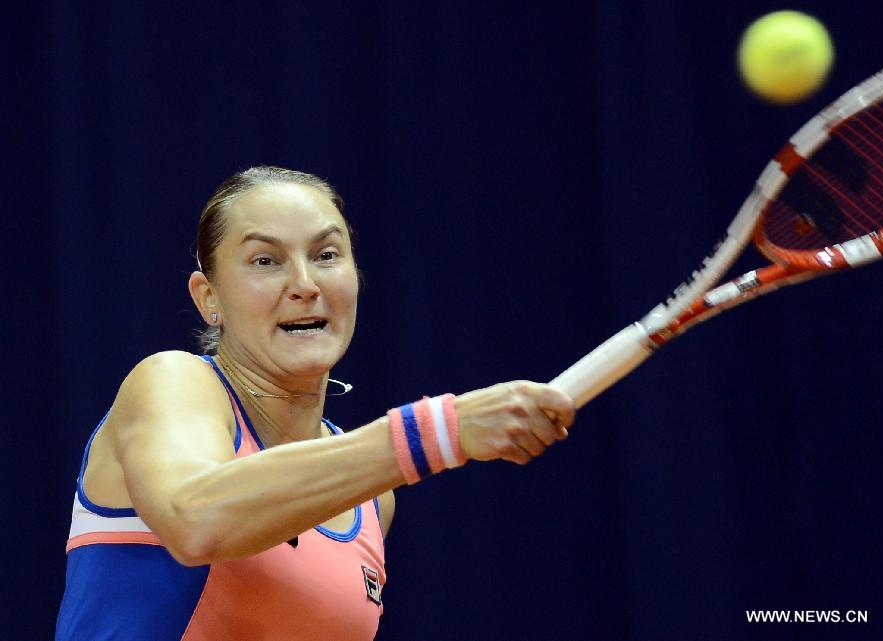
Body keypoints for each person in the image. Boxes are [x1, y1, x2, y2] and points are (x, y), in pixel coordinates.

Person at [55, 166, 576, 641]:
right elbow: (196, 520)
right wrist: (440, 431)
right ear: (208, 297)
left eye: (326, 255)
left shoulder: (373, 501)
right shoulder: (171, 380)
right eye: (266, 261)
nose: (304, 285)